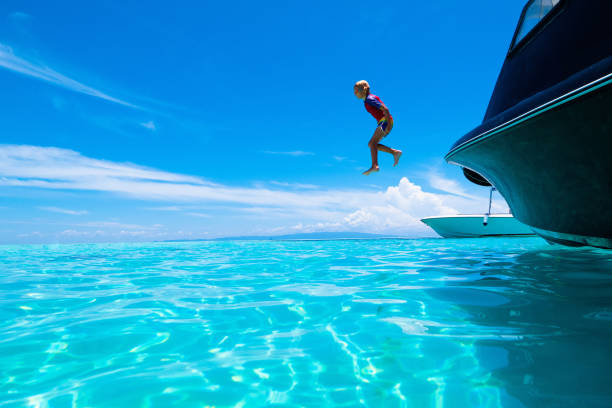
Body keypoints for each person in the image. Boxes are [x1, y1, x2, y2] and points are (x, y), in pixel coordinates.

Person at [353, 80, 402, 175]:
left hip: (385, 121)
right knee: (372, 145)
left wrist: (387, 124)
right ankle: (394, 152)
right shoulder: (367, 100)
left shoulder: (369, 99)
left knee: (372, 143)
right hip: (383, 121)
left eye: (356, 91)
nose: (355, 94)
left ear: (362, 90)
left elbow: (386, 109)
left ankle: (375, 166)